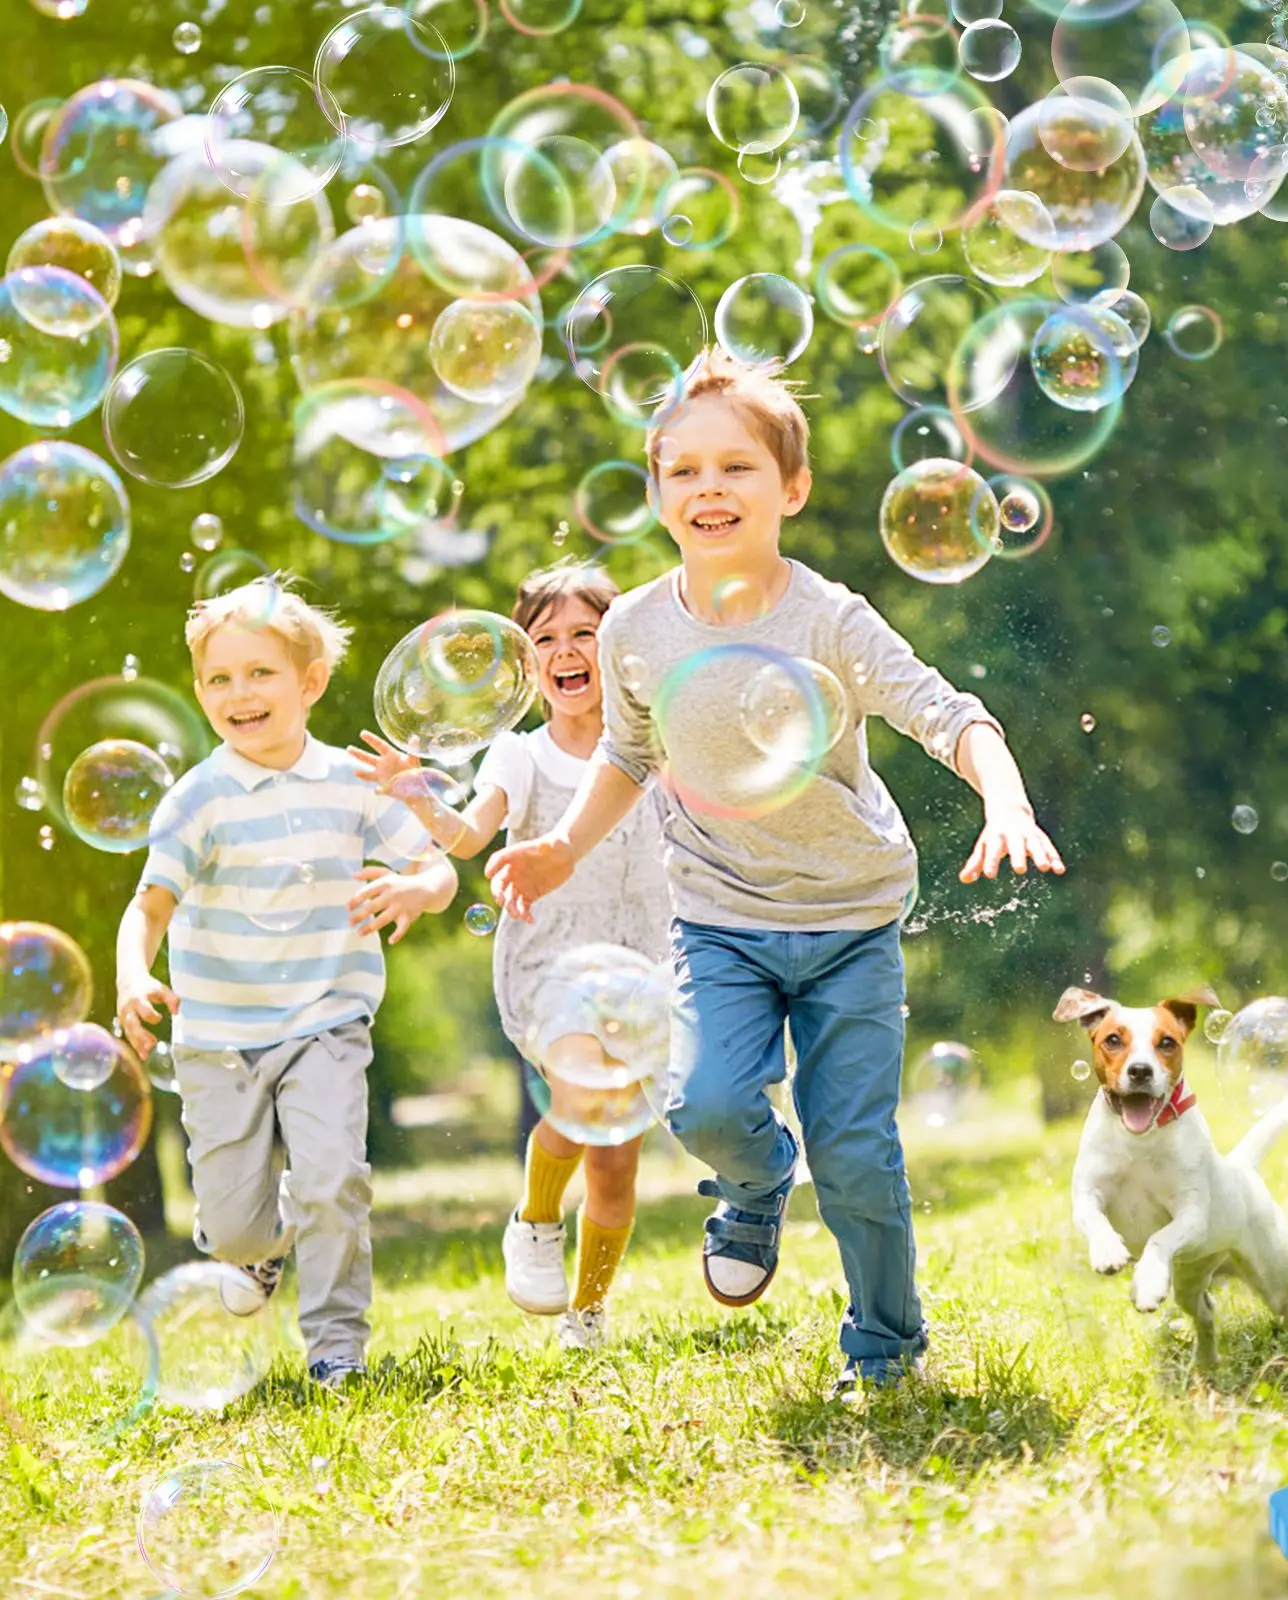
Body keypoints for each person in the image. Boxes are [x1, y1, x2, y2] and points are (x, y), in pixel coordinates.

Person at [486, 349, 1066, 1398]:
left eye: (736, 468)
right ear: (658, 492)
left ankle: (885, 1349)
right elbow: (625, 753)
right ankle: (754, 1186)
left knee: (856, 1154)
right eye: (684, 470)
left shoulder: (827, 618)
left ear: (789, 488)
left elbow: (948, 714)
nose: (709, 488)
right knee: (702, 1104)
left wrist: (1006, 800)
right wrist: (562, 846)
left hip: (848, 917)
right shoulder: (633, 628)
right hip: (717, 918)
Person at [115, 576, 458, 1390]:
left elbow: (435, 865)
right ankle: (256, 1253)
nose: (239, 694)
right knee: (235, 1228)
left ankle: (336, 1347)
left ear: (309, 683)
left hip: (325, 1020)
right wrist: (133, 971)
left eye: (260, 673)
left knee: (333, 1178)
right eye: (219, 679)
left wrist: (419, 888)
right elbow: (148, 903)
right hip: (218, 1038)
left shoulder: (352, 781)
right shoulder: (197, 798)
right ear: (200, 692)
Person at [350, 560, 671, 1353]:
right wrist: (420, 796)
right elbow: (468, 836)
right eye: (547, 639)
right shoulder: (518, 758)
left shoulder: (658, 744)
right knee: (579, 1097)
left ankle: (587, 1311)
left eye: (585, 635)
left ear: (618, 646)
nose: (567, 652)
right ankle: (533, 1220)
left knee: (617, 1166)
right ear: (528, 665)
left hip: (649, 964)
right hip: (553, 962)